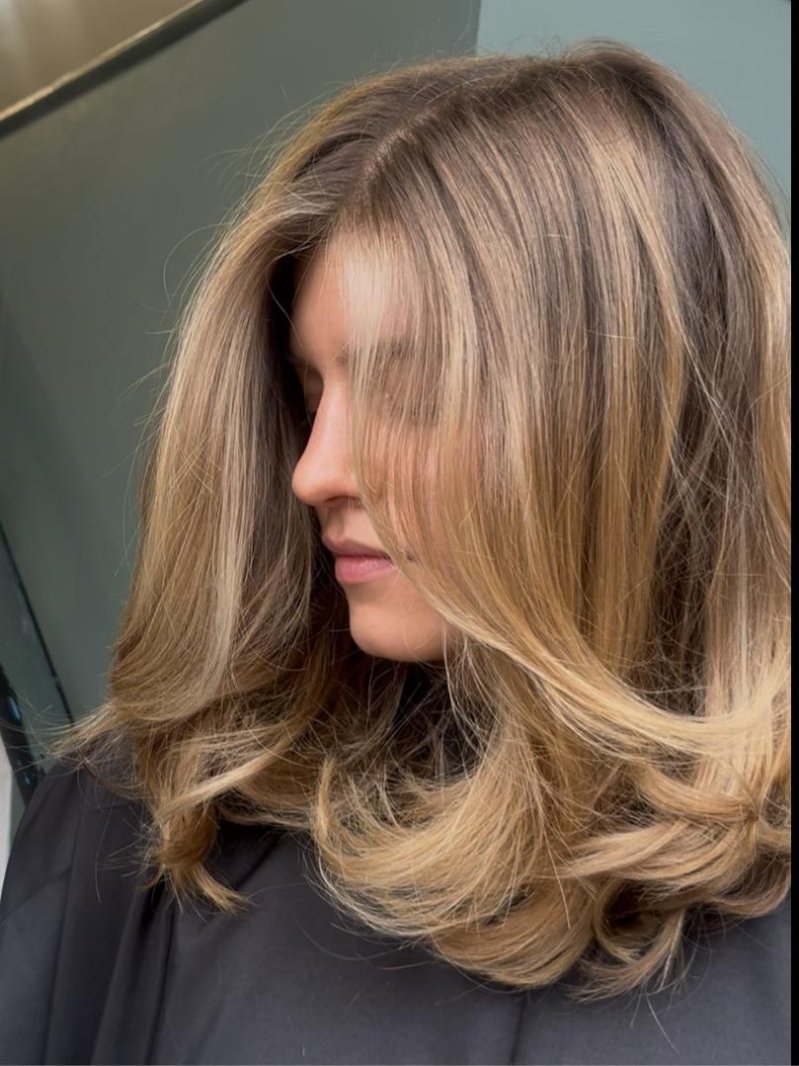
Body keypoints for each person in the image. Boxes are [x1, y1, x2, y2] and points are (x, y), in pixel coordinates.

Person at [0, 39, 790, 1065]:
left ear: (632, 422)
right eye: (311, 395)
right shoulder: (158, 822)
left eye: (410, 393)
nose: (315, 470)